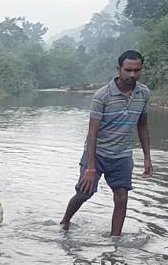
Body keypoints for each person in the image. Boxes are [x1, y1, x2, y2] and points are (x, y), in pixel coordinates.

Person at [60, 50, 153, 236]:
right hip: (97, 153)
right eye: (128, 70)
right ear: (118, 69)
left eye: (137, 70)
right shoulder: (102, 96)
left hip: (123, 156)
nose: (132, 75)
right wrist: (90, 168)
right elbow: (92, 134)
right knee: (84, 193)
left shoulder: (144, 93)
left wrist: (147, 158)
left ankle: (115, 241)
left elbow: (142, 125)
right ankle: (65, 221)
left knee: (122, 198)